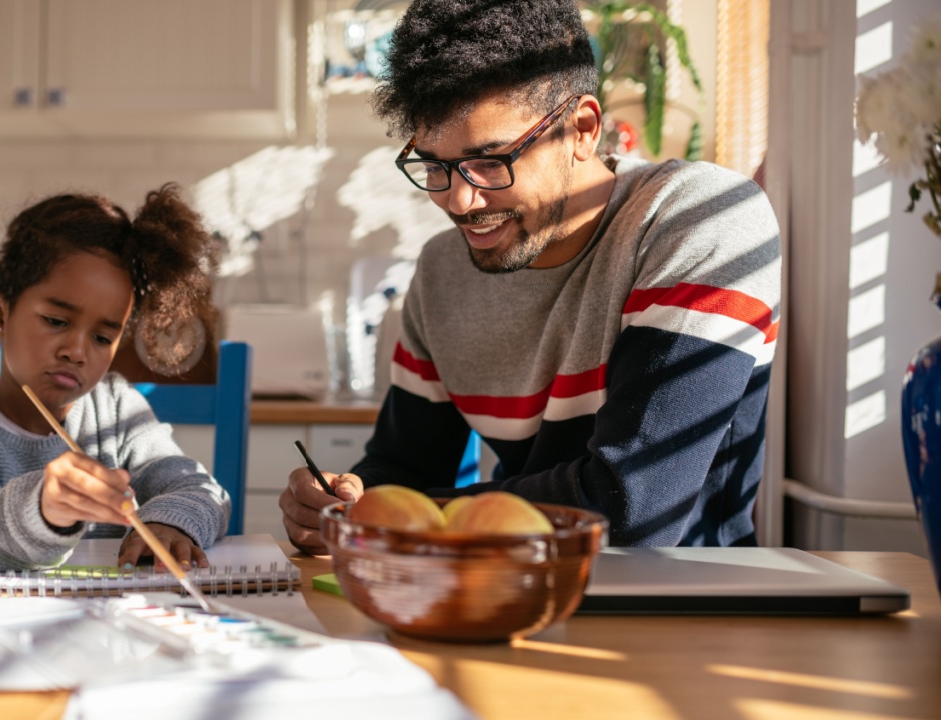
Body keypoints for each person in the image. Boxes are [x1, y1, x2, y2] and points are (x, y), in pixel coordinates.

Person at [280, 0, 781, 552]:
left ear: (582, 129)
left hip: (691, 611)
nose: (461, 201)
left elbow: (632, 505)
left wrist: (395, 513)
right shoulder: (442, 273)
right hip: (503, 596)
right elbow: (405, 469)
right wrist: (343, 502)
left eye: (491, 161)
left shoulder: (704, 218)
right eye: (433, 166)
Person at [0, 185, 229, 571]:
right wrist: (43, 508)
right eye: (56, 321)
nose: (77, 351)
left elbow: (200, 488)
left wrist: (166, 522)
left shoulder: (116, 410)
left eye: (102, 337)